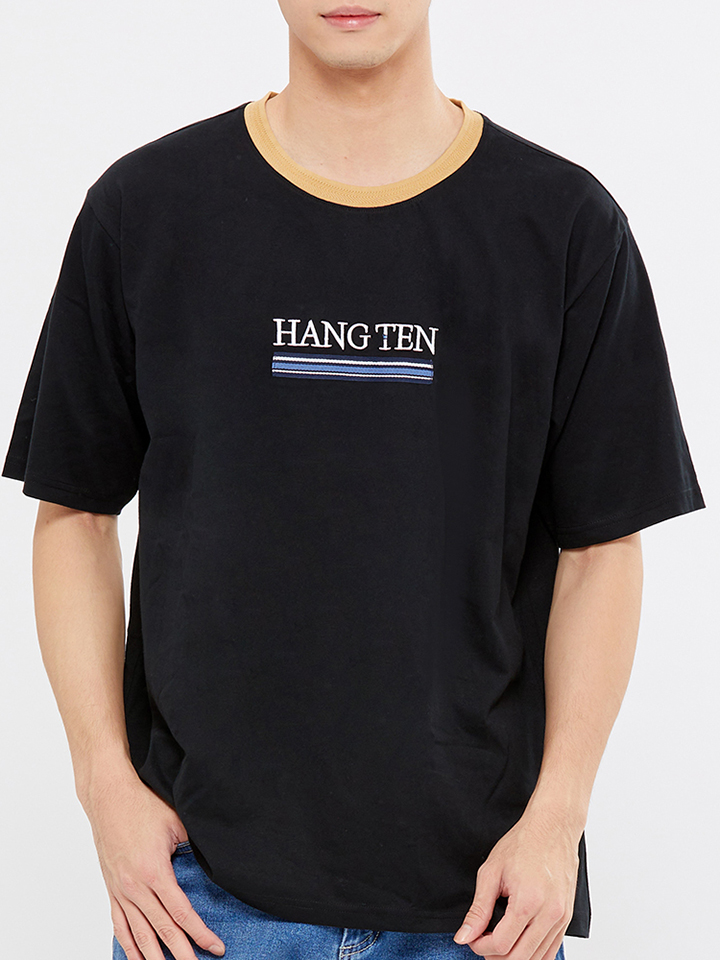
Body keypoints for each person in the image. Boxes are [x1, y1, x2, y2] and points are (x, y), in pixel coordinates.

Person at [1, 2, 706, 959]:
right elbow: (73, 513)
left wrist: (558, 820)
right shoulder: (147, 208)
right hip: (202, 896)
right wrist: (103, 789)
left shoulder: (564, 223)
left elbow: (603, 547)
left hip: (483, 900)